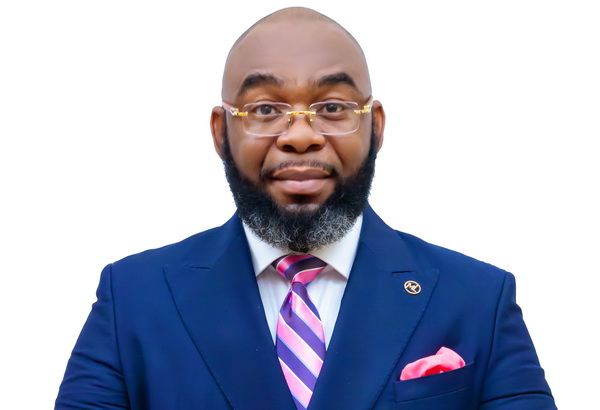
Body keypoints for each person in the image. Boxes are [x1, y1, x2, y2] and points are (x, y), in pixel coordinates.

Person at [56, 7, 556, 409]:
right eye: (265, 110)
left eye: (333, 108)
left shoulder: (477, 300)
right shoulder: (134, 299)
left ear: (376, 127)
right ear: (220, 132)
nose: (300, 135)